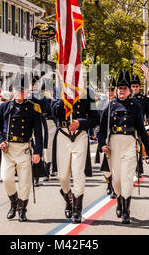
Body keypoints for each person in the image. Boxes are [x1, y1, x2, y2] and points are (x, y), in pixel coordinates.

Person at [98, 70, 149, 224]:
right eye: (119, 88)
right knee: (116, 179)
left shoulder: (135, 106)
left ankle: (126, 210)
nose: (121, 90)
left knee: (127, 178)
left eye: (124, 88)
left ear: (130, 91)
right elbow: (102, 130)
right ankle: (119, 200)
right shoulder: (110, 106)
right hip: (113, 145)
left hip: (130, 144)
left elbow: (142, 130)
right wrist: (102, 144)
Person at [0, 73, 43, 222]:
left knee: (25, 181)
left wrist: (38, 152)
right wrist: (0, 141)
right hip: (8, 148)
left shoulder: (33, 108)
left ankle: (22, 209)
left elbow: (38, 133)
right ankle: (13, 202)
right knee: (6, 179)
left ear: (27, 92)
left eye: (21, 90)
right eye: (16, 89)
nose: (18, 92)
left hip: (24, 148)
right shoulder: (4, 106)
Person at [51, 82, 99, 224]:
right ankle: (68, 197)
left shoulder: (87, 92)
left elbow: (95, 119)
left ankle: (77, 209)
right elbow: (54, 112)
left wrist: (81, 123)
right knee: (62, 175)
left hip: (80, 134)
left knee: (78, 172)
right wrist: (64, 97)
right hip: (63, 134)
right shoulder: (57, 90)